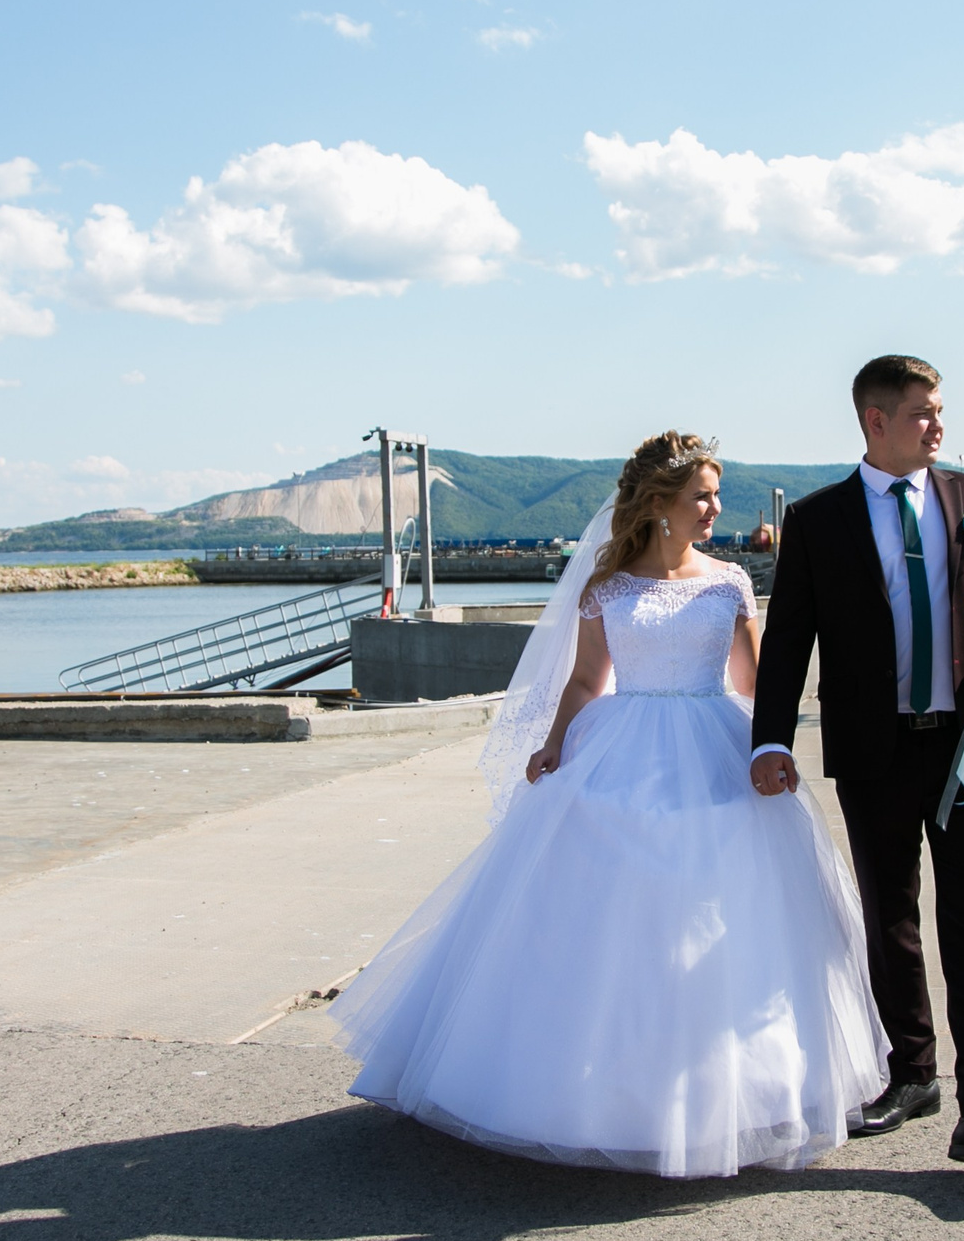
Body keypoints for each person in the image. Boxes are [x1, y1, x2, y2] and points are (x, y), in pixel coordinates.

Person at [330, 432, 888, 1178]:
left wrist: (772, 750)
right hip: (618, 747)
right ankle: (592, 1090)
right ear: (659, 504)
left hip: (712, 742)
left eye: (715, 495)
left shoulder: (729, 583)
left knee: (716, 913)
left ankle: (728, 1093)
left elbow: (758, 687)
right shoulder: (607, 589)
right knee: (597, 917)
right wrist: (555, 743)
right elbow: (587, 680)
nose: (715, 509)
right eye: (702, 496)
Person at [751, 356, 964, 1166]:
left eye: (940, 409)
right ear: (875, 421)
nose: (937, 425)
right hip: (874, 749)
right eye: (921, 412)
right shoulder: (819, 519)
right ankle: (911, 1073)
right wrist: (770, 739)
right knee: (891, 918)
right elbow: (788, 641)